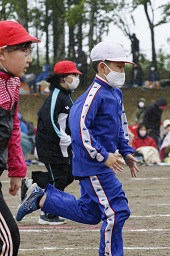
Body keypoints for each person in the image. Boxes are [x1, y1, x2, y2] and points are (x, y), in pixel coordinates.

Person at [16, 41, 139, 256]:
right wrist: (103, 156)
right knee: (117, 211)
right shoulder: (93, 95)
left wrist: (126, 151)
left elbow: (120, 127)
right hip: (94, 165)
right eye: (119, 66)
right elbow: (79, 128)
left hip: (100, 165)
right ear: (103, 67)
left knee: (90, 213)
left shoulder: (116, 94)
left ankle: (42, 198)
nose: (122, 71)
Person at [21, 60, 82, 225]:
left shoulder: (66, 95)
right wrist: (63, 138)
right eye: (73, 75)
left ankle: (32, 185)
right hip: (51, 146)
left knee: (69, 176)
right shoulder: (56, 95)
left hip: (62, 147)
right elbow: (49, 120)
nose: (76, 78)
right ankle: (47, 214)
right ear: (62, 78)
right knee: (60, 178)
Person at [0, 20, 40, 255]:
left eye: (29, 51)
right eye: (24, 51)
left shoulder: (13, 83)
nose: (29, 58)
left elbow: (13, 128)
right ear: (3, 53)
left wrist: (17, 170)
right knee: (9, 241)